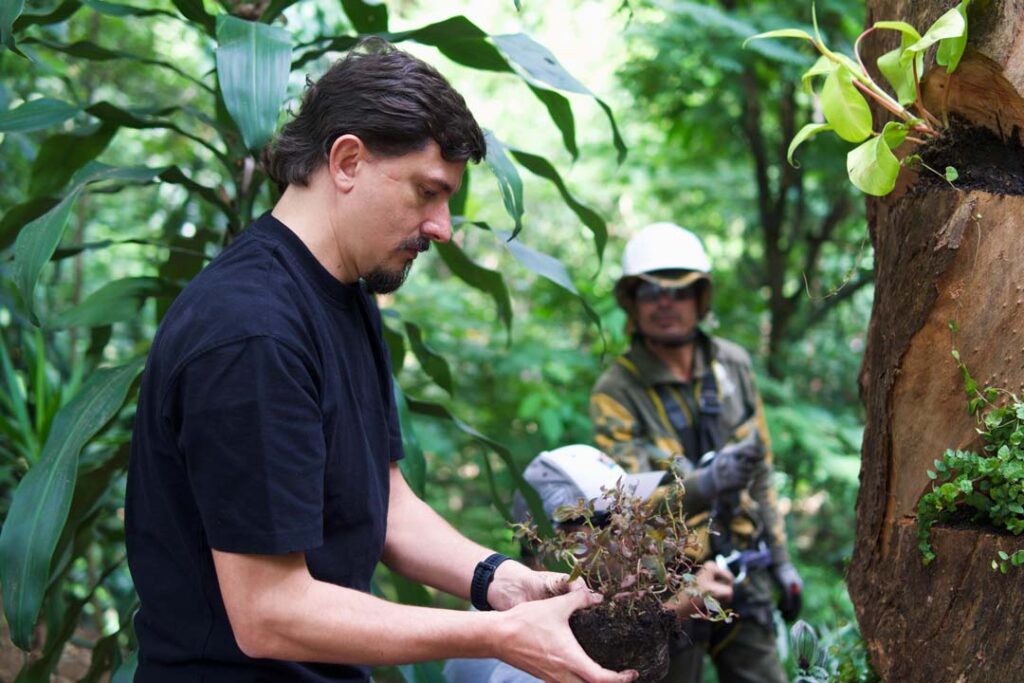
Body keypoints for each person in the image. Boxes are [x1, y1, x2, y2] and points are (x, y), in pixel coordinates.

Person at [124, 41, 639, 683]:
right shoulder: (252, 332)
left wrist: (503, 583)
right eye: (429, 191)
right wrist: (497, 636)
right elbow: (268, 612)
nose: (443, 226)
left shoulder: (344, 289)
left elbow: (384, 502)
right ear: (347, 161)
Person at [589, 223, 803, 683]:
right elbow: (622, 509)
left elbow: (760, 469)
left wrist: (782, 560)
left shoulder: (733, 365)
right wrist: (704, 485)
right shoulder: (617, 390)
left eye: (679, 292)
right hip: (668, 583)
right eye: (650, 291)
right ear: (632, 302)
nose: (665, 303)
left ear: (700, 299)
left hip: (743, 567)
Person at [444, 444, 735, 683]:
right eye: (612, 519)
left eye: (635, 515)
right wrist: (670, 613)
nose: (633, 530)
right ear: (560, 539)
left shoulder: (568, 609)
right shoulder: (514, 636)